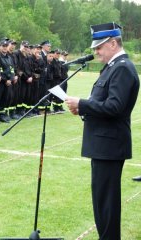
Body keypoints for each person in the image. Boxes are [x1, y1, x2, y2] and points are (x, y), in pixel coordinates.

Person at [65, 22, 140, 240]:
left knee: (106, 203)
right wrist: (82, 107)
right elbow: (103, 103)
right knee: (102, 201)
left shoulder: (123, 67)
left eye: (99, 47)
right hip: (104, 144)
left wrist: (82, 103)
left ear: (114, 43)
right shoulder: (113, 66)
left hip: (110, 145)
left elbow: (114, 107)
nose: (96, 52)